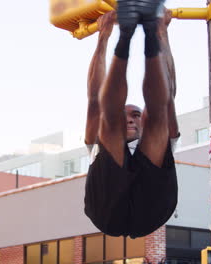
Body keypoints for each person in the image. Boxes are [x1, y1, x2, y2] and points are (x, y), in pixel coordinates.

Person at [84, 1, 179, 238]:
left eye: (135, 115)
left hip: (150, 211)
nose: (130, 120)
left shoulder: (151, 134)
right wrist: (103, 36)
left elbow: (169, 96)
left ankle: (148, 36)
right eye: (127, 114)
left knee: (160, 116)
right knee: (108, 118)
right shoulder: (99, 142)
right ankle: (124, 39)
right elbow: (95, 99)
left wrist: (161, 33)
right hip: (107, 212)